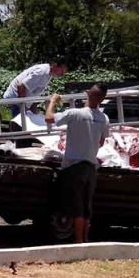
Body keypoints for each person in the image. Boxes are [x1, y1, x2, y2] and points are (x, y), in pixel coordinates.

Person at [45, 83, 110, 244]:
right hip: (90, 167)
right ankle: (85, 240)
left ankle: (79, 241)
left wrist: (53, 101)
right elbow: (101, 142)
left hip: (74, 167)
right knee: (86, 206)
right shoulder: (103, 118)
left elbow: (49, 118)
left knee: (76, 206)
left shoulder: (75, 113)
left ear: (89, 95)